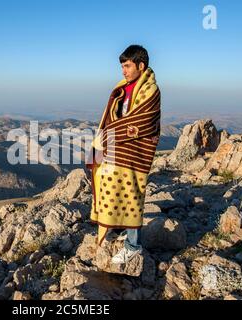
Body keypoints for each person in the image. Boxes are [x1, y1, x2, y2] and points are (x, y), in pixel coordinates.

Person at [86, 44, 161, 264]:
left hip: (135, 152)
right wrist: (100, 144)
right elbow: (110, 117)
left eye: (127, 66)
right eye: (122, 66)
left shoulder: (151, 90)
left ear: (141, 65)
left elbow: (144, 122)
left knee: (132, 195)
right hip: (116, 148)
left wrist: (109, 134)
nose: (123, 71)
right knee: (109, 186)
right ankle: (115, 224)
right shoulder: (122, 87)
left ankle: (133, 246)